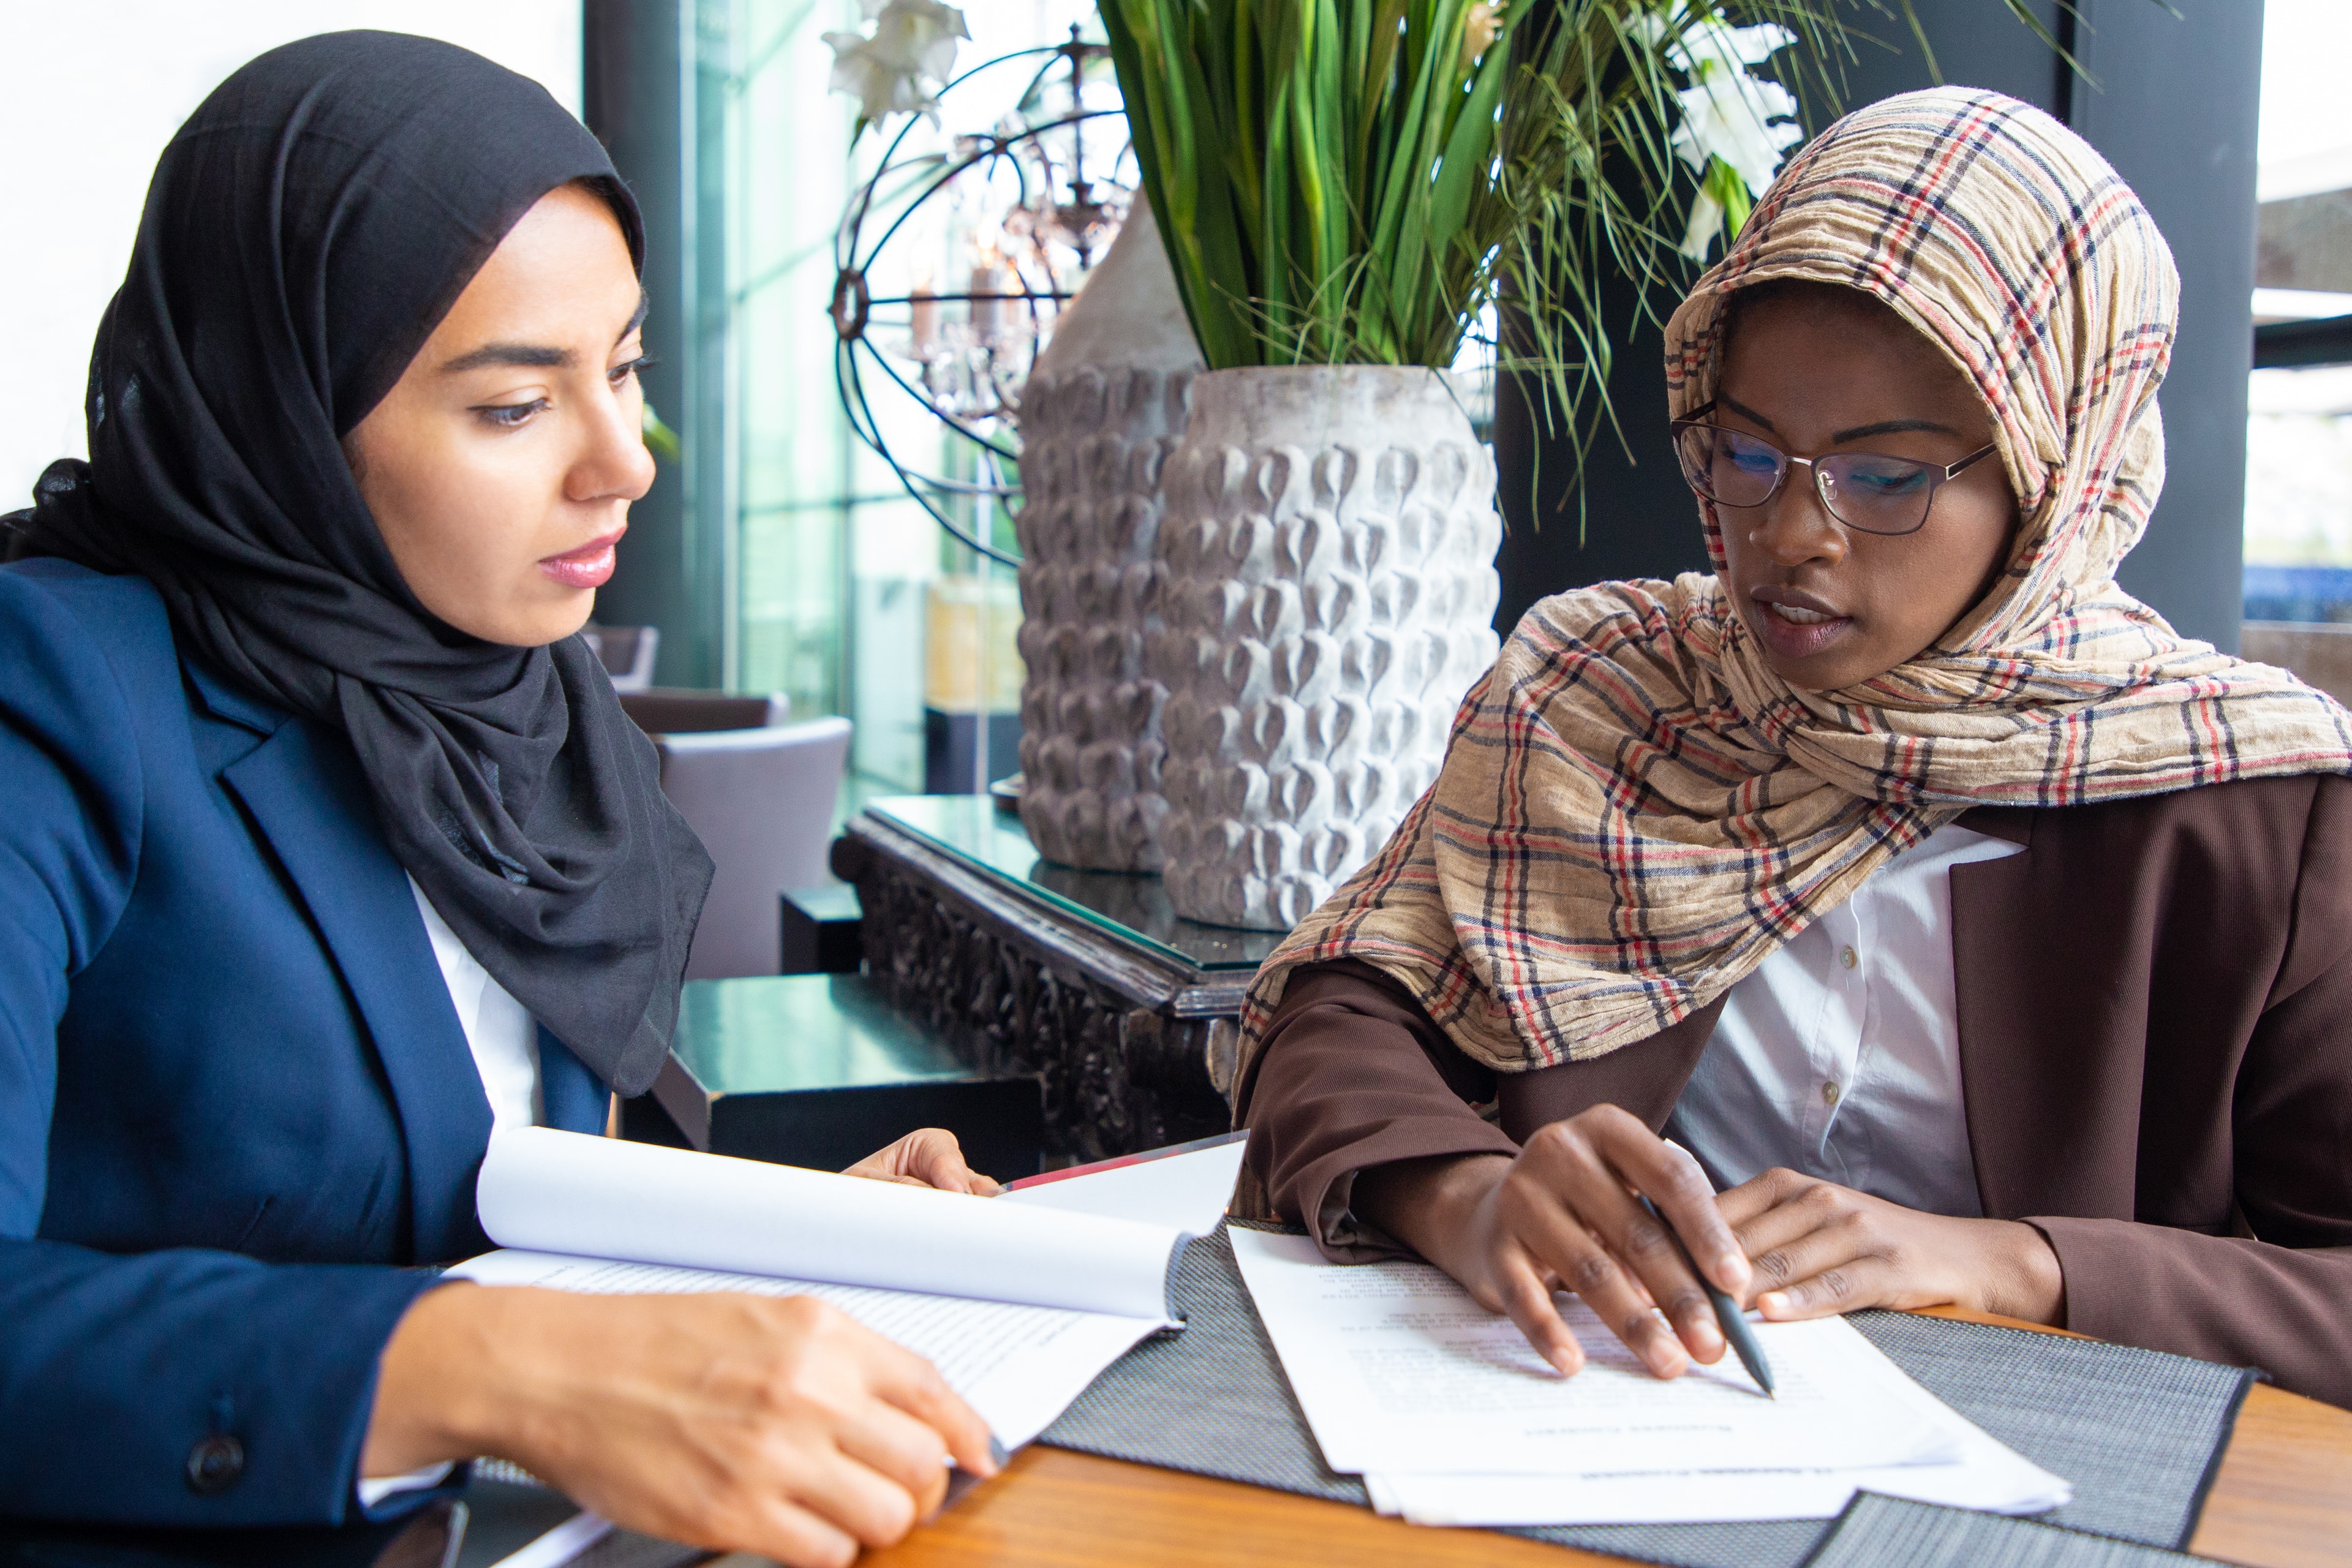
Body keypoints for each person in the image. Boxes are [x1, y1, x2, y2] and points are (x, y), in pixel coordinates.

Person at [0, 32, 999, 1564]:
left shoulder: (532, 702)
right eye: (513, 407)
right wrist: (509, 1369)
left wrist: (799, 1240)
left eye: (624, 368)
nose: (626, 463)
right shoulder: (54, 690)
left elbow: (478, 1182)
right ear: (285, 415)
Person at [1234, 87, 2352, 1414]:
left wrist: (2015, 1265)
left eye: (1883, 477)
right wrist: (1468, 1194)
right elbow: (1339, 1012)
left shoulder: (2251, 803)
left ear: (2059, 473)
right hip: (1591, 1422)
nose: (1790, 534)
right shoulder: (1605, 693)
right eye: (1747, 452)